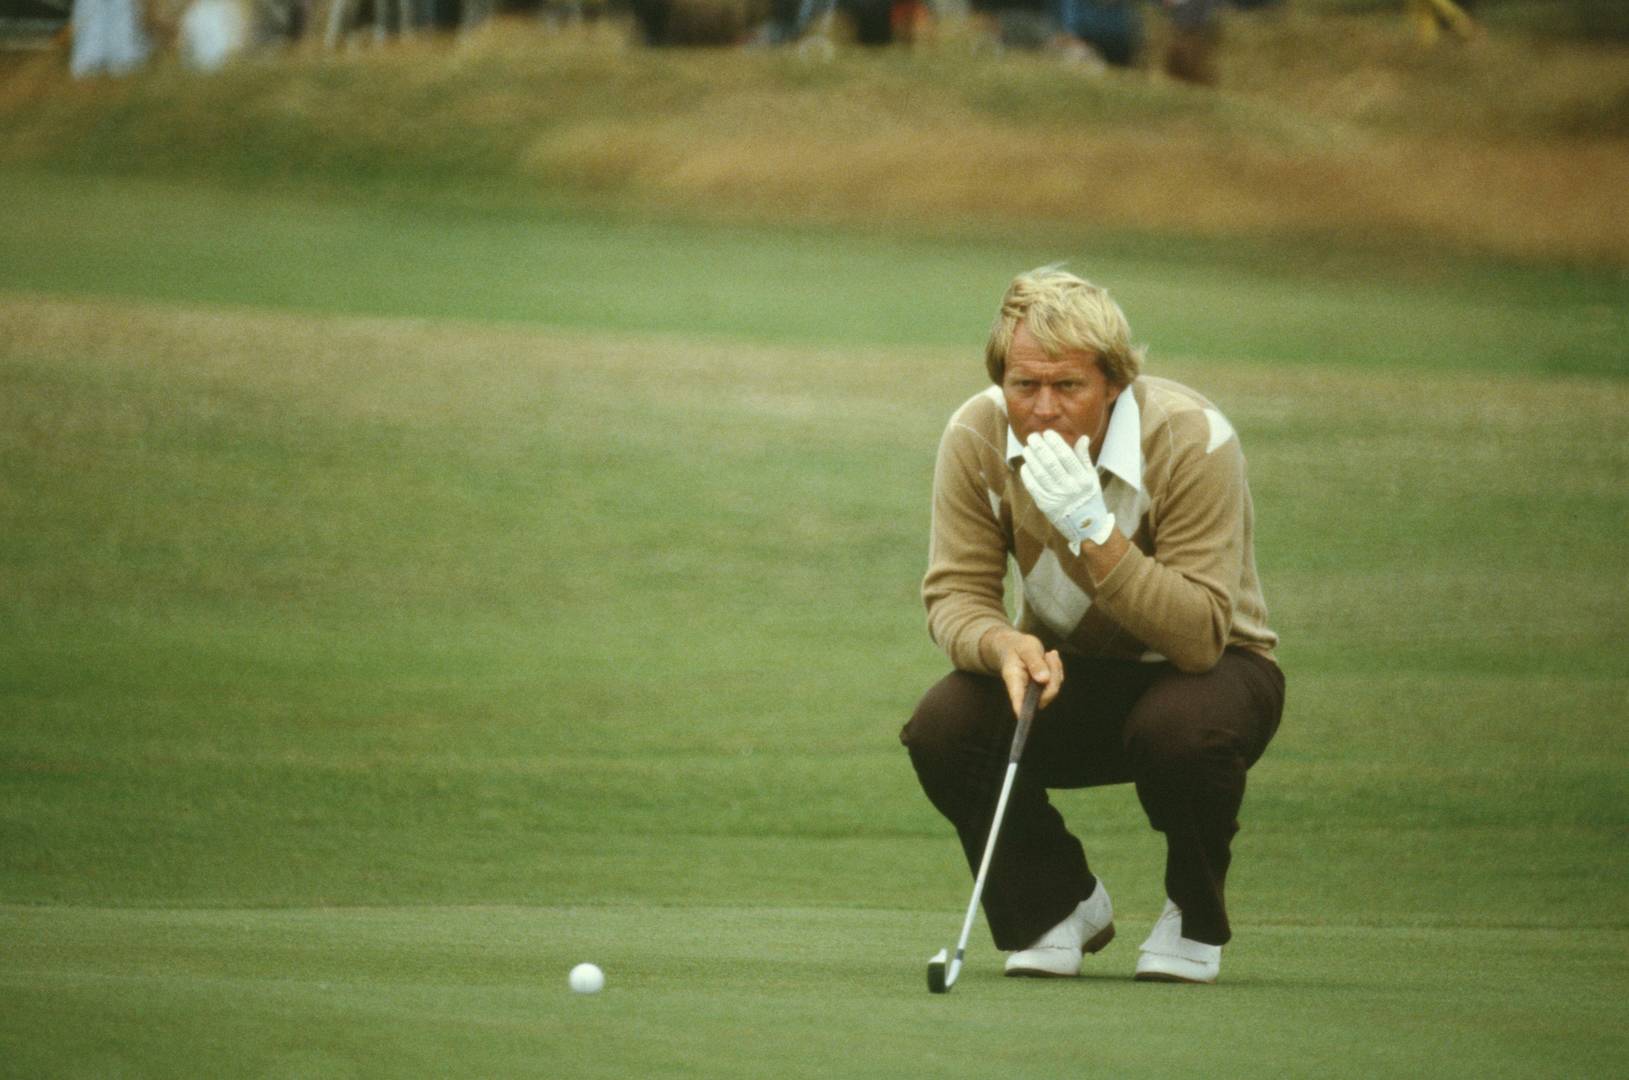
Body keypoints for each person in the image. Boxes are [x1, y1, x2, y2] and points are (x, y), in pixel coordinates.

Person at [900, 266, 1283, 984]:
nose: (1042, 408)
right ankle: (1056, 906)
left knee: (1181, 729)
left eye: (1067, 386)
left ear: (1113, 383)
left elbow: (1200, 634)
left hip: (1216, 676)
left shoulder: (1191, 436)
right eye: (1023, 385)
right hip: (1070, 673)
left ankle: (1191, 914)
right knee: (944, 723)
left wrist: (1093, 532)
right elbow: (955, 594)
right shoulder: (975, 435)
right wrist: (1001, 644)